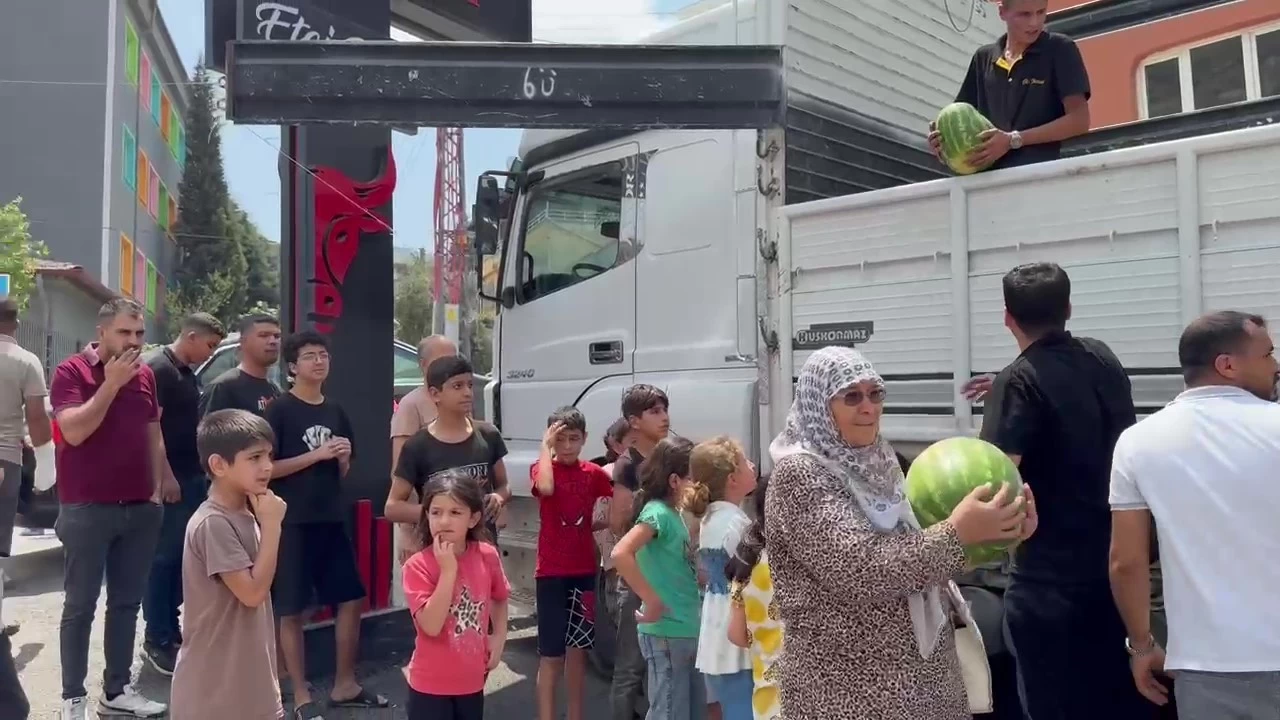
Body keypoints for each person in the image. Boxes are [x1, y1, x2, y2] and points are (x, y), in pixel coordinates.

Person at [765, 346, 1034, 719]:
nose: (869, 407)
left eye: (875, 394)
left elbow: (921, 556)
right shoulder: (801, 475)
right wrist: (956, 532)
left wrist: (1001, 531)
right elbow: (860, 570)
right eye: (851, 396)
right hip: (851, 693)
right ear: (818, 405)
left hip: (923, 686)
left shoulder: (877, 461)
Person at [964, 263, 1153, 719]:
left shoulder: (1018, 381)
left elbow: (998, 485)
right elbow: (1069, 394)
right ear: (1069, 308)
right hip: (1115, 575)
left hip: (1050, 586)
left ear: (1007, 317)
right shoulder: (1102, 358)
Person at [1109, 311, 1280, 717]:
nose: (1276, 366)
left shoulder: (1137, 443)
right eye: (1268, 354)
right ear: (1227, 364)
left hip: (1206, 668)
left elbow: (1126, 563)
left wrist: (1143, 645)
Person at [50, 298, 167, 719]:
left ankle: (116, 690)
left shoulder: (147, 375)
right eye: (124, 333)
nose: (134, 342)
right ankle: (72, 698)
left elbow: (153, 430)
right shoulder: (71, 372)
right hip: (87, 507)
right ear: (101, 332)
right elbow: (74, 432)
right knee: (79, 605)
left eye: (139, 333)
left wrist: (157, 486)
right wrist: (111, 384)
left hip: (139, 507)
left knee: (126, 603)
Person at [263, 331, 385, 715]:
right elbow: (266, 469)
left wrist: (342, 457)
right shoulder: (280, 410)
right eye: (310, 356)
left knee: (350, 599)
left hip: (332, 517)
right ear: (293, 367)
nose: (319, 361)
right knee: (292, 608)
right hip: (292, 522)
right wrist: (315, 455)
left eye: (323, 355)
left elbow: (341, 471)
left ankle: (345, 683)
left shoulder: (335, 410)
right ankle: (299, 693)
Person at [170, 409, 285, 720]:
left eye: (269, 456)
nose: (267, 467)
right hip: (214, 690)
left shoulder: (249, 511)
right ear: (219, 465)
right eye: (254, 457)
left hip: (247, 680)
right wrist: (273, 526)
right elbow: (251, 594)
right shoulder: (214, 523)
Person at [141, 312, 226, 675]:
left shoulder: (185, 372)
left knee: (182, 558)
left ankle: (170, 629)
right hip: (172, 479)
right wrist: (167, 477)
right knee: (163, 559)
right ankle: (156, 636)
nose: (209, 353)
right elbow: (151, 428)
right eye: (209, 345)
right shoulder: (159, 368)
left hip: (192, 477)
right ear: (191, 336)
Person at [927, 0, 1090, 172]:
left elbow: (1079, 121)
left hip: (1042, 178)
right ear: (1002, 12)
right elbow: (958, 119)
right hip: (986, 184)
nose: (1034, 22)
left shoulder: (1060, 49)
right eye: (1024, 14)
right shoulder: (983, 58)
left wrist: (1013, 140)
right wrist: (943, 142)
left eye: (1041, 12)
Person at [402, 470, 510, 720]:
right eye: (436, 512)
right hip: (430, 686)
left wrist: (499, 635)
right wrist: (448, 571)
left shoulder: (486, 554)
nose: (444, 521)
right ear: (426, 515)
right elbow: (430, 625)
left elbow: (500, 595)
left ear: (473, 519)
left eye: (455, 512)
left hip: (472, 681)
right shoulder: (417, 565)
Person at [611, 436, 705, 720]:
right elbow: (620, 553)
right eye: (694, 478)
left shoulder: (677, 514)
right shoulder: (657, 513)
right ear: (675, 480)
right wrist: (651, 600)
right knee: (668, 712)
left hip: (687, 629)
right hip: (667, 633)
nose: (700, 485)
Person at [530, 407, 613, 720]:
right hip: (550, 574)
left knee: (577, 653)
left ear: (585, 439)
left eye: (573, 439)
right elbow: (547, 488)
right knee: (551, 656)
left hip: (582, 572)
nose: (566, 446)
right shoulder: (541, 468)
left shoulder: (593, 474)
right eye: (559, 439)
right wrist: (543, 447)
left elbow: (613, 505)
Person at [387, 356, 511, 544]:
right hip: (439, 551)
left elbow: (504, 486)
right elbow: (393, 507)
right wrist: (440, 513)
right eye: (457, 386)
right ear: (435, 394)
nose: (467, 392)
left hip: (483, 550)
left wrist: (499, 497)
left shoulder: (488, 435)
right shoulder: (418, 446)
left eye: (470, 385)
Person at [609, 385, 671, 720]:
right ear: (633, 421)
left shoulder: (674, 457)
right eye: (654, 412)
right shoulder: (628, 465)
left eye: (664, 410)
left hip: (672, 574)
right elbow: (617, 523)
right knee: (630, 669)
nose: (664, 417)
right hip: (637, 578)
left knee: (663, 667)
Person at [688, 437, 756, 720]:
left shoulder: (712, 518)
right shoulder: (736, 524)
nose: (752, 466)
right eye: (745, 463)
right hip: (734, 627)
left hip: (715, 625)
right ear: (732, 479)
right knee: (744, 707)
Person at [391, 335, 459, 565]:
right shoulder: (412, 405)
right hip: (426, 527)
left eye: (454, 358)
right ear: (423, 365)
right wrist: (408, 532)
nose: (450, 365)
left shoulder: (461, 400)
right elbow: (400, 471)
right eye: (442, 359)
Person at [0, 298, 52, 592]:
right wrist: (47, 462)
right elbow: (37, 416)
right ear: (16, 323)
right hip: (5, 458)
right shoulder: (26, 361)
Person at [725, 476, 777, 720]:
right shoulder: (810, 564)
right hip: (811, 693)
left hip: (766, 695)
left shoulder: (747, 565)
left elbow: (736, 634)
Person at [199, 314, 282, 418]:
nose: (273, 341)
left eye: (277, 336)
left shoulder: (275, 390)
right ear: (243, 342)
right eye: (264, 335)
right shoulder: (223, 388)